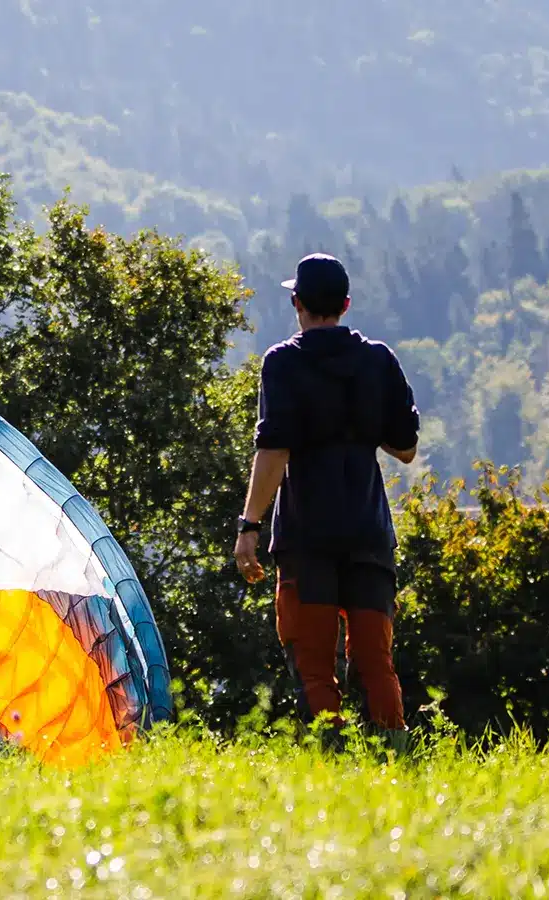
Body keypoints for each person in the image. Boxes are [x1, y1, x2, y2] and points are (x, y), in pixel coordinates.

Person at [233, 253, 420, 753]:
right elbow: (406, 448)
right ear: (346, 304)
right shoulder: (378, 360)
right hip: (368, 530)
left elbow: (273, 450)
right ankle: (394, 757)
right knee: (375, 660)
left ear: (297, 303)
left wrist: (249, 525)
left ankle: (332, 758)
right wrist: (359, 419)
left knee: (314, 661)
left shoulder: (283, 362)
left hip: (306, 535)